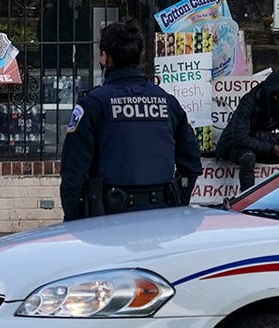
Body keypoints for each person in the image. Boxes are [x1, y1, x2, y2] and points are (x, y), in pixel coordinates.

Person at [59, 20, 202, 221]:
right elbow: (191, 162)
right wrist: (178, 202)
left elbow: (73, 173)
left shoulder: (93, 105)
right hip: (162, 217)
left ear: (105, 58)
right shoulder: (167, 102)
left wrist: (74, 220)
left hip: (108, 220)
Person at [216, 73, 279, 191]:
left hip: (257, 143)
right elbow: (240, 139)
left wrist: (255, 136)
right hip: (232, 145)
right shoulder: (249, 101)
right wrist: (272, 148)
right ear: (268, 94)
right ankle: (247, 200)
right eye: (275, 96)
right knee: (248, 157)